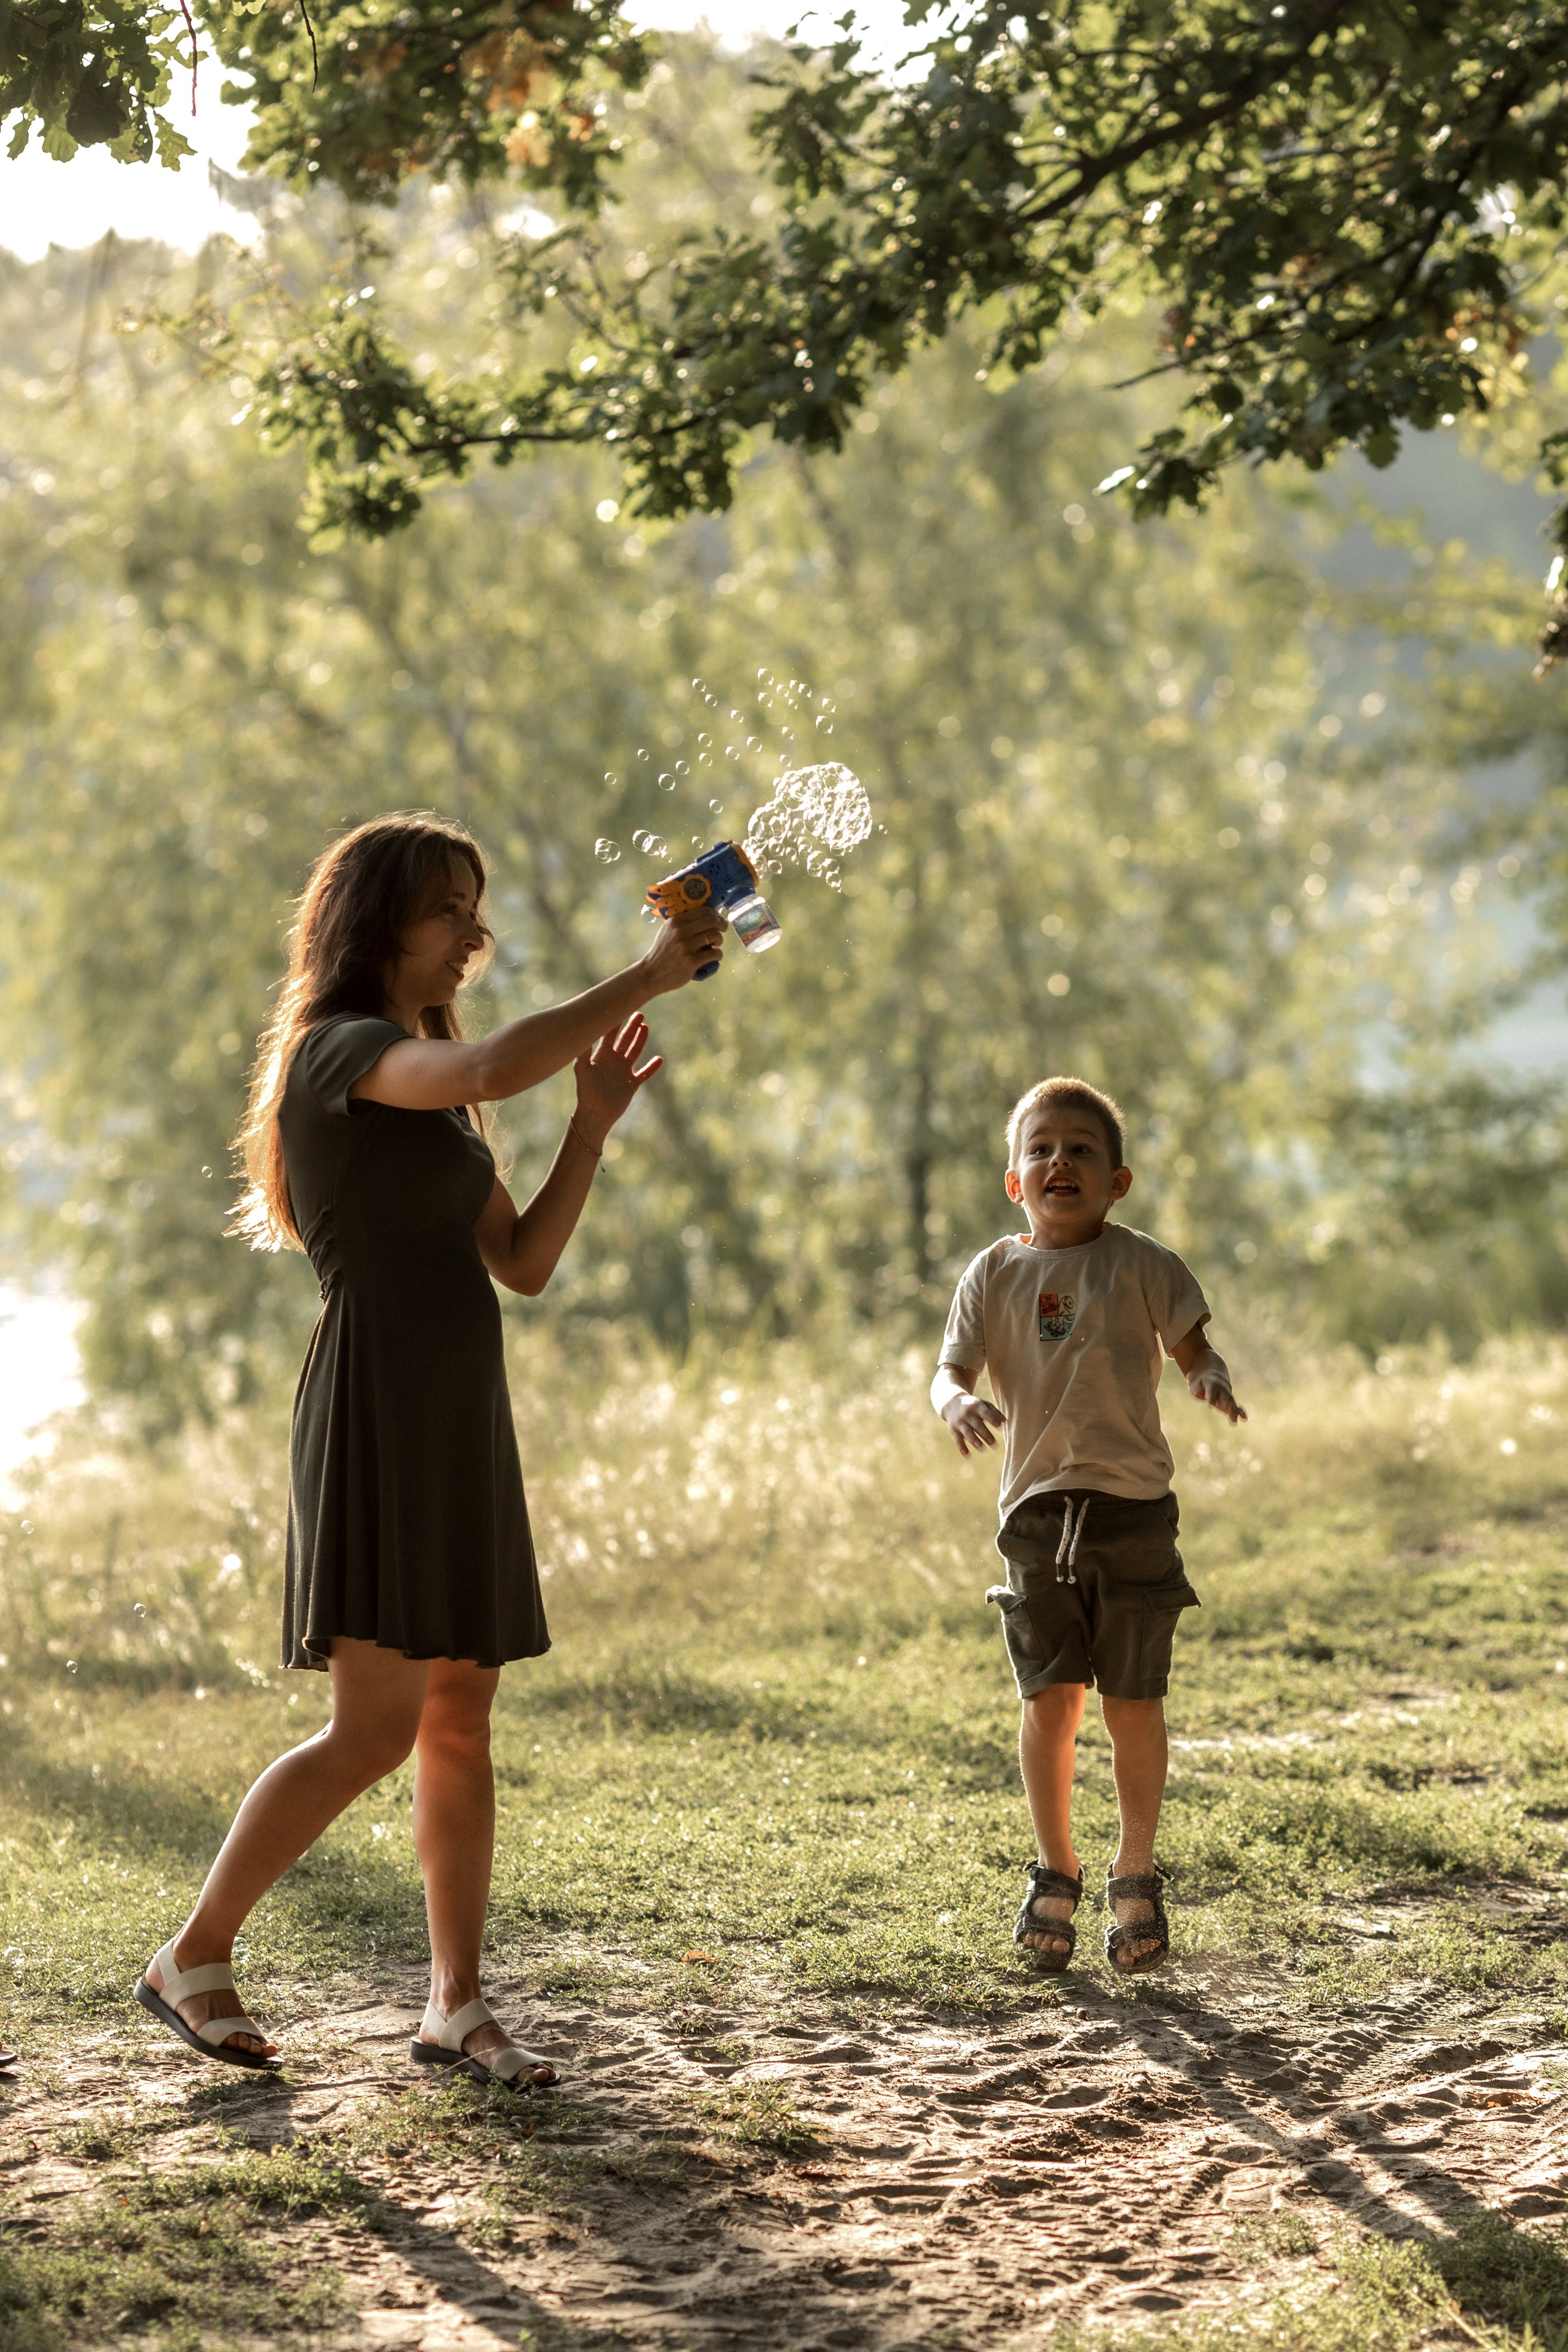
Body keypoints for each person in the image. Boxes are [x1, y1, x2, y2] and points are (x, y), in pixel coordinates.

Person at [135, 813, 723, 2082]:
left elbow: (521, 1265)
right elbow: (490, 1066)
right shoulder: (340, 1052)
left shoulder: (438, 1087)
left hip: (458, 1410)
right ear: (375, 919)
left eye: (476, 905)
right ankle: (193, 1953)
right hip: (380, 1405)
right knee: (372, 1729)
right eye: (448, 907)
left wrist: (592, 1125)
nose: (474, 932)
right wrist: (645, 974)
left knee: (459, 1717)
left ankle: (455, 2003)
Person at [930, 1077, 1244, 1975]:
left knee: (1133, 1704)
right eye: (1041, 1149)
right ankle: (1054, 1867)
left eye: (1081, 1150)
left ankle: (1136, 1867)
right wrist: (955, 1403)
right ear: (1013, 1180)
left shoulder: (1143, 1264)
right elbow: (946, 1372)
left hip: (1134, 1514)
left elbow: (1196, 1345)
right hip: (1035, 1517)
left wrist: (1206, 1375)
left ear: (1119, 1182)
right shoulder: (992, 1273)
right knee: (1049, 1699)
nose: (1059, 1160)